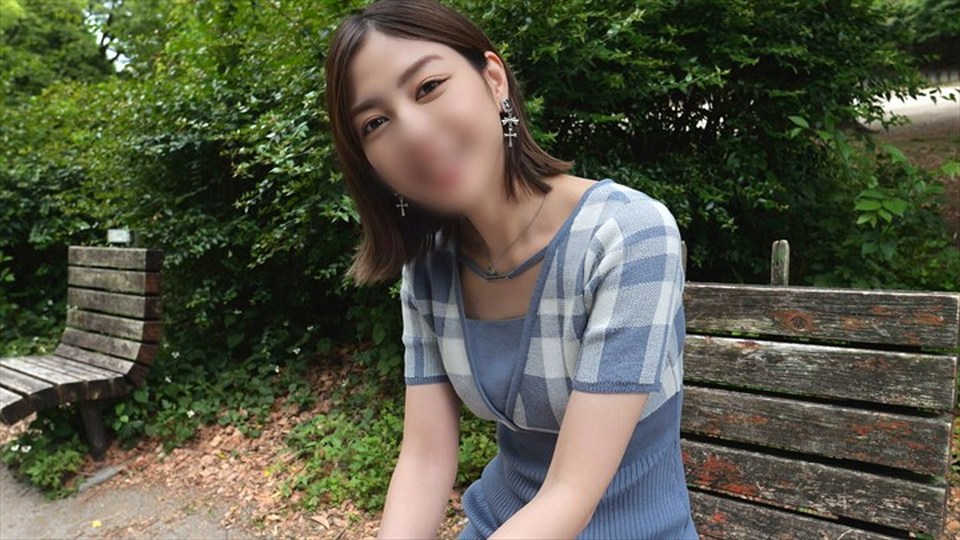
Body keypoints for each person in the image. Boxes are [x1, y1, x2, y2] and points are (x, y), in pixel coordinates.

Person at [324, 1, 698, 538]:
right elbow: (425, 460)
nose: (414, 131)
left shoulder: (626, 235)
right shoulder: (428, 270)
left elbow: (571, 491)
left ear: (493, 79)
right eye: (375, 122)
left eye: (428, 87)